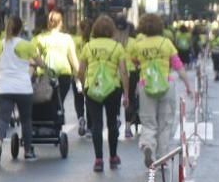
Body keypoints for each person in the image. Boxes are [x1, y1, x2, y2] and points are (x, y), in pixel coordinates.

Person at [131, 13, 193, 167]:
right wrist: (188, 86)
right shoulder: (167, 43)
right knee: (165, 122)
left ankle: (147, 145)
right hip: (166, 84)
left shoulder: (138, 45)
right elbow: (178, 66)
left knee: (148, 121)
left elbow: (135, 62)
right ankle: (162, 157)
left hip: (146, 85)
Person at [79, 15, 130, 172]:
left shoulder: (87, 47)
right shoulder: (117, 47)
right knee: (112, 122)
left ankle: (98, 160)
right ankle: (113, 157)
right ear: (111, 30)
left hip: (92, 88)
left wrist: (84, 86)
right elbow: (123, 72)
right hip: (112, 89)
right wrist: (126, 94)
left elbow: (80, 71)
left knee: (96, 124)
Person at [0, 16, 41, 163]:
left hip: (4, 87)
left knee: (3, 118)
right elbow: (40, 63)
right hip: (23, 88)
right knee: (26, 120)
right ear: (20, 29)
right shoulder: (27, 45)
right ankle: (27, 152)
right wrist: (36, 65)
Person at [33, 9, 80, 110]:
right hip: (64, 75)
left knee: (46, 101)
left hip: (46, 75)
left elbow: (33, 59)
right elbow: (74, 60)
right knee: (59, 101)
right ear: (60, 23)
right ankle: (59, 116)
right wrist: (80, 76)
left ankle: (50, 120)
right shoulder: (67, 38)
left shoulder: (39, 39)